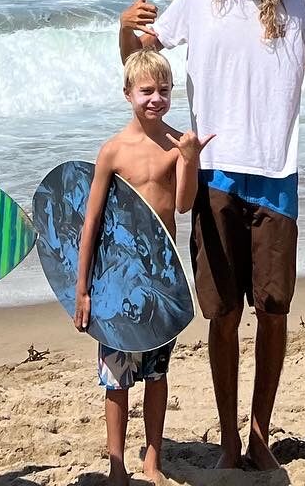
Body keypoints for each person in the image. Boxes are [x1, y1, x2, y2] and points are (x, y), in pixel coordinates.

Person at [119, 0, 305, 469]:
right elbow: (140, 65)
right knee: (222, 314)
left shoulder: (297, 0)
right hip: (215, 175)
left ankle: (259, 436)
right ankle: (228, 439)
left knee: (273, 311)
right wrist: (125, 31)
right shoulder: (199, 1)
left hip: (276, 172)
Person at [74, 49, 211, 485]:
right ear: (128, 93)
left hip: (160, 278)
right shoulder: (113, 150)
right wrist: (82, 289)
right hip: (117, 278)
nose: (155, 98)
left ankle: (153, 460)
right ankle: (117, 464)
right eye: (146, 90)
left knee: (156, 372)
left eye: (164, 91)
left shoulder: (176, 144)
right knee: (116, 377)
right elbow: (91, 220)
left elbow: (186, 204)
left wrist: (189, 158)